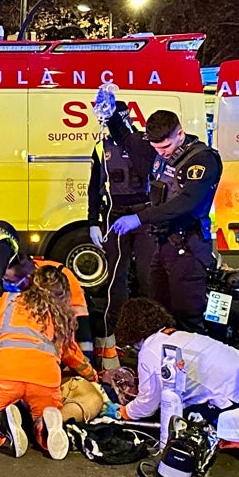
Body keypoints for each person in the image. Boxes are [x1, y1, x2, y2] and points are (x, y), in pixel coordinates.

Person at [0, 265, 99, 459]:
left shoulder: (5, 302)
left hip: (5, 375)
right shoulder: (60, 315)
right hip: (44, 383)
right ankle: (44, 429)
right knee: (43, 414)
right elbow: (73, 355)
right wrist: (93, 375)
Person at [110, 108, 223, 332]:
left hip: (188, 248)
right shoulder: (161, 150)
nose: (161, 153)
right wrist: (110, 113)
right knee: (159, 314)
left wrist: (139, 218)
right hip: (163, 246)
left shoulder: (202, 159)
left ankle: (191, 365)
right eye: (156, 148)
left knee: (187, 318)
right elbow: (125, 138)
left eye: (165, 147)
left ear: (180, 134)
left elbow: (186, 203)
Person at [104, 298, 239, 422]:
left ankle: (236, 437)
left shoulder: (150, 350)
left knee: (178, 418)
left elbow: (148, 404)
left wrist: (123, 413)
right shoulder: (179, 335)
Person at [88, 99, 157, 361]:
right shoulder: (101, 146)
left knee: (148, 275)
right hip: (114, 214)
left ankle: (152, 333)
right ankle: (119, 334)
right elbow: (94, 187)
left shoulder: (143, 143)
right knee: (116, 278)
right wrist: (93, 221)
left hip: (144, 214)